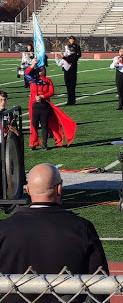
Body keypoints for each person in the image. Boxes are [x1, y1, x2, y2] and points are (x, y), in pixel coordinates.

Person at [0, 163, 109, 303]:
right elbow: (100, 285)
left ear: (28, 189)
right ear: (59, 189)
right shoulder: (82, 228)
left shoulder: (4, 228)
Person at [25, 60, 76, 150]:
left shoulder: (48, 80)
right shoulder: (32, 80)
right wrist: (33, 64)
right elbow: (26, 72)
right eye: (40, 69)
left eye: (43, 70)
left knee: (44, 125)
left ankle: (44, 144)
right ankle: (33, 143)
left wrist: (42, 96)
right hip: (34, 106)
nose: (42, 71)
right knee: (34, 125)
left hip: (44, 105)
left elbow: (52, 92)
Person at [61, 36, 82, 105]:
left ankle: (73, 100)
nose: (71, 40)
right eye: (70, 39)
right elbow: (65, 56)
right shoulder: (67, 46)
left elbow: (77, 56)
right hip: (66, 68)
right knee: (67, 84)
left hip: (72, 67)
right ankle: (69, 100)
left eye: (72, 39)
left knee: (72, 85)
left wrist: (67, 58)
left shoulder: (77, 46)